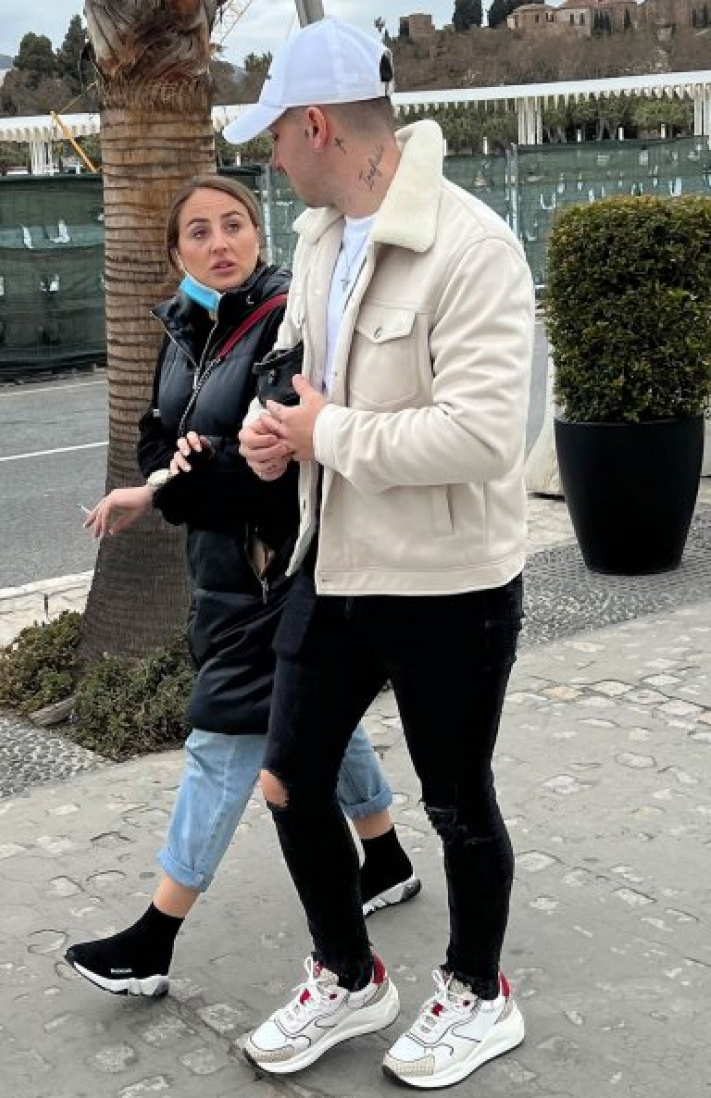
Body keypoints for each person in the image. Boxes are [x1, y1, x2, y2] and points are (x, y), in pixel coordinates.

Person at [228, 17, 534, 1090]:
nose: (266, 155)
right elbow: (307, 376)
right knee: (287, 781)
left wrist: (328, 436)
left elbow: (484, 436)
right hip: (333, 558)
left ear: (316, 125)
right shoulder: (319, 239)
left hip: (449, 581)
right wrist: (279, 436)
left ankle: (477, 991)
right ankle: (348, 974)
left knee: (455, 804)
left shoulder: (469, 245)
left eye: (273, 135)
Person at [63, 174, 420, 999]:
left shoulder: (283, 322)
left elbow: (266, 468)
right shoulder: (185, 326)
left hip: (275, 568)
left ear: (261, 234)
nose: (220, 243)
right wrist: (163, 478)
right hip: (220, 570)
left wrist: (181, 480)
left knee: (225, 741)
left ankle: (155, 936)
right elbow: (160, 434)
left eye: (234, 225)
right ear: (176, 252)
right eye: (199, 232)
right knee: (305, 721)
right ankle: (388, 855)